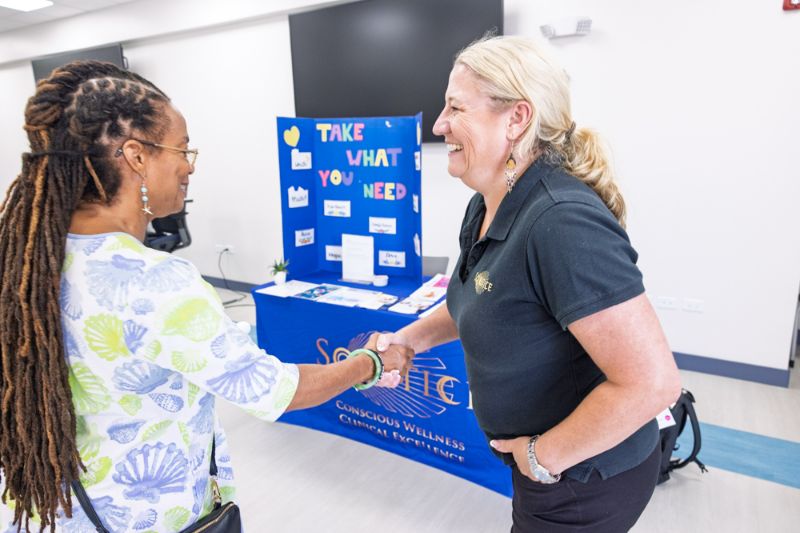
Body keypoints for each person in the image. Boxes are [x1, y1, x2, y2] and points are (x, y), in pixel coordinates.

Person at [0, 60, 412, 532]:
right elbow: (274, 391)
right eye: (181, 148)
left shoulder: (23, 265)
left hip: (53, 511)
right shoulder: (157, 281)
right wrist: (370, 363)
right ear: (136, 156)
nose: (189, 165)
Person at [376, 36, 682, 532]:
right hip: (546, 471)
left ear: (517, 118)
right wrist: (409, 339)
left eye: (456, 108)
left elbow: (652, 384)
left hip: (583, 479)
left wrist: (541, 457)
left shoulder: (560, 221)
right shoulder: (487, 203)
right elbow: (475, 298)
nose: (438, 124)